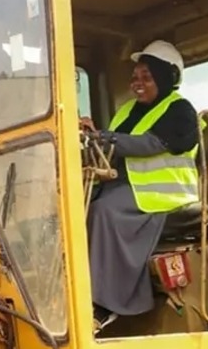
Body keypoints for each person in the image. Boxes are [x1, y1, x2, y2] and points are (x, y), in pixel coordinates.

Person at [80, 40, 201, 334]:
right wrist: (92, 135)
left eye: (146, 77)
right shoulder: (128, 111)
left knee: (102, 211)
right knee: (75, 208)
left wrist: (105, 138)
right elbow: (114, 145)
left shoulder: (180, 110)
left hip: (166, 193)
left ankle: (104, 304)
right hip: (131, 187)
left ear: (166, 77)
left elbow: (150, 144)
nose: (138, 84)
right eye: (135, 78)